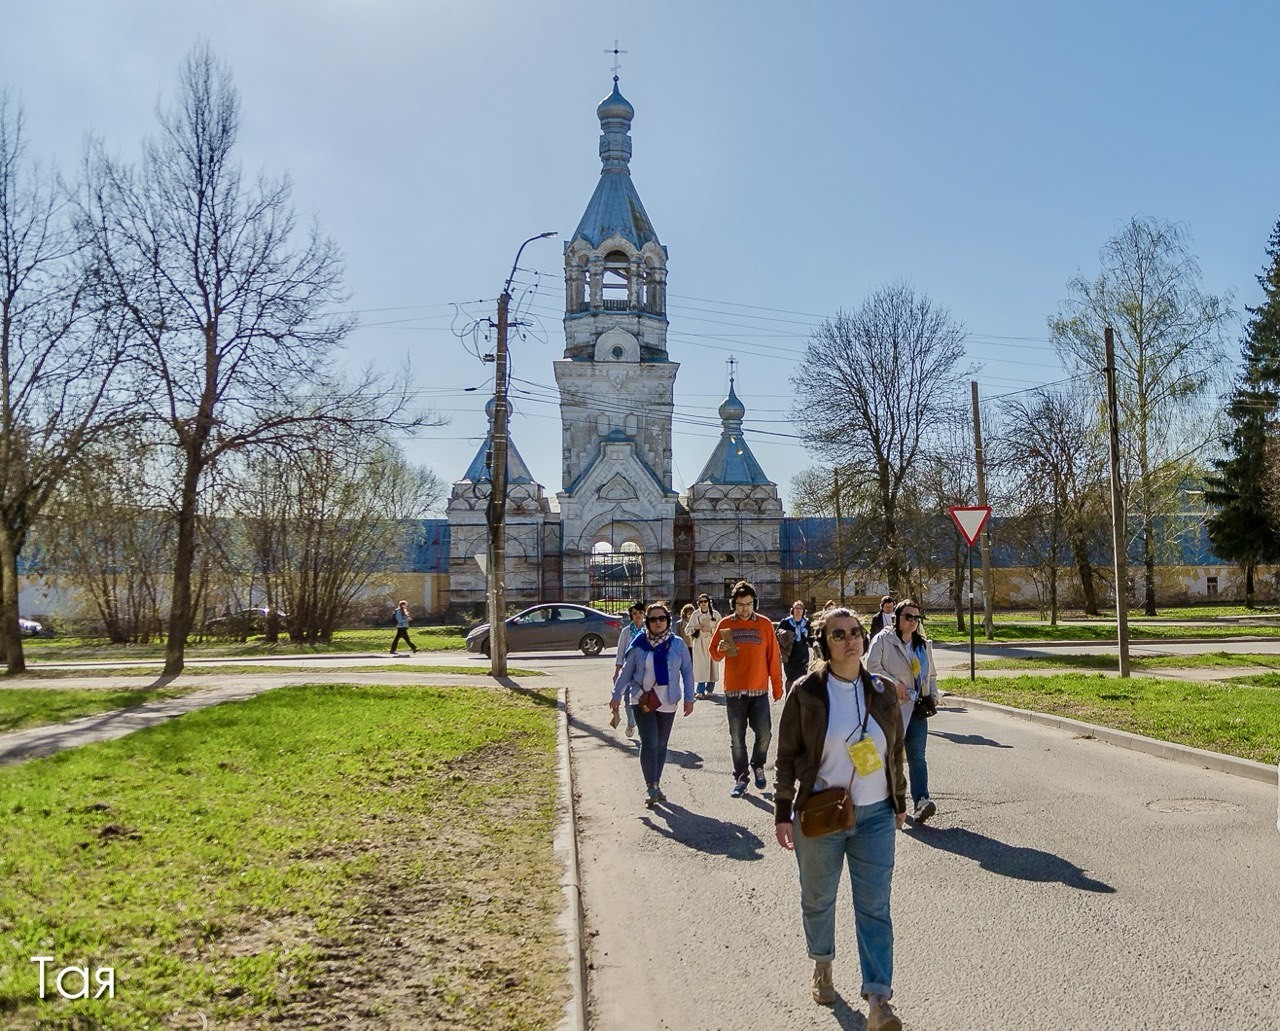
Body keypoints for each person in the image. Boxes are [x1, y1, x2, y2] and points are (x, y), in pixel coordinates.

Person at [774, 608, 906, 1028]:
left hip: (876, 816)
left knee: (874, 907)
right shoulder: (806, 692)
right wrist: (781, 811)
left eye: (855, 633)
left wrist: (899, 801)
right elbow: (786, 756)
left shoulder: (882, 691)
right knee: (818, 899)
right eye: (838, 634)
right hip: (819, 815)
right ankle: (823, 962)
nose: (850, 640)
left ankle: (878, 998)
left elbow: (895, 752)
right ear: (824, 644)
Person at [610, 602, 695, 807]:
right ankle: (651, 786)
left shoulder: (677, 644)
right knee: (649, 742)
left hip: (668, 700)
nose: (658, 622)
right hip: (642, 699)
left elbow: (687, 672)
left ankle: (656, 783)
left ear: (668, 620)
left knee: (661, 744)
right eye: (653, 619)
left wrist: (689, 698)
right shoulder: (639, 643)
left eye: (662, 618)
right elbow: (626, 672)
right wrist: (616, 695)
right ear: (647, 622)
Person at [866, 598, 939, 825]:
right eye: (909, 617)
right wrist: (893, 684)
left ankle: (921, 801)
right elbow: (871, 668)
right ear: (897, 619)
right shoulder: (883, 640)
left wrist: (933, 694)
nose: (913, 621)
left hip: (917, 706)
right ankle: (895, 799)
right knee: (893, 757)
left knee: (917, 755)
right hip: (891, 709)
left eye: (917, 617)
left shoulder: (922, 644)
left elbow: (931, 674)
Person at [709, 580, 783, 797]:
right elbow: (714, 652)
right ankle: (741, 777)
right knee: (737, 738)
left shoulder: (765, 624)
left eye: (749, 604)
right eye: (741, 604)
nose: (745, 608)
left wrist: (777, 686)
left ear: (754, 603)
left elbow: (773, 658)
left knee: (765, 734)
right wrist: (720, 649)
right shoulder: (725, 624)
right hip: (734, 692)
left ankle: (758, 764)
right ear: (734, 604)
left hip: (758, 691)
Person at [613, 602, 646, 737]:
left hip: (645, 670)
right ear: (631, 616)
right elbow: (621, 652)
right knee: (628, 700)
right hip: (628, 671)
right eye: (634, 614)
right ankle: (631, 722)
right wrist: (617, 671)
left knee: (644, 698)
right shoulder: (626, 632)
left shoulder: (648, 630)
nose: (638, 616)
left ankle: (644, 726)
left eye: (640, 613)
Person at [684, 593, 722, 697]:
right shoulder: (695, 615)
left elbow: (722, 630)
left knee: (712, 666)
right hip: (699, 643)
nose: (703, 604)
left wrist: (711, 629)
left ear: (709, 602)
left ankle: (710, 690)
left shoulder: (716, 614)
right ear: (698, 604)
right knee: (701, 667)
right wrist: (696, 627)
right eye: (701, 602)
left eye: (705, 601)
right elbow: (687, 630)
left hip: (712, 642)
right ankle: (700, 691)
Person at [779, 600, 812, 685]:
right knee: (790, 679)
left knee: (802, 680)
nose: (798, 610)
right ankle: (789, 697)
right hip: (789, 655)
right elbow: (777, 634)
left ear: (803, 611)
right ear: (792, 610)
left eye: (800, 608)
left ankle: (799, 697)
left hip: (803, 655)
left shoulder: (807, 623)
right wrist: (786, 634)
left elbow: (811, 638)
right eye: (796, 608)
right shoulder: (786, 622)